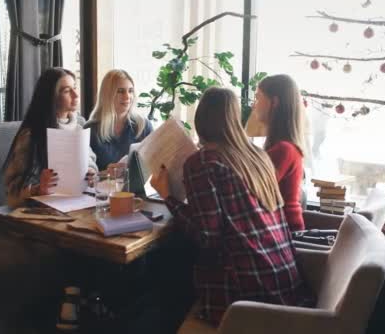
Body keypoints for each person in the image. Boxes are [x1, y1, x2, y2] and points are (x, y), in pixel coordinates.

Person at [151, 87, 312, 327]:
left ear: (201, 119)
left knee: (165, 275)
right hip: (285, 287)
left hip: (245, 297)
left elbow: (207, 237)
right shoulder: (257, 157)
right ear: (234, 118)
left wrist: (167, 196)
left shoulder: (203, 162)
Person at [1, 67, 97, 208]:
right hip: (38, 213)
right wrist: (38, 189)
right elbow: (12, 193)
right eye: (66, 91)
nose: (76, 95)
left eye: (75, 87)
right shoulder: (31, 135)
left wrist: (91, 174)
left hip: (75, 204)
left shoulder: (79, 126)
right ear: (51, 96)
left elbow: (91, 163)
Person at [252, 74, 307, 232]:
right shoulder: (283, 147)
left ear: (274, 102)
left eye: (258, 97)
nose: (254, 105)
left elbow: (253, 191)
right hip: (278, 230)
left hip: (285, 236)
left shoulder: (284, 150)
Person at [85, 69, 153, 170]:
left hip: (135, 186)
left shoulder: (143, 125)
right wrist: (106, 173)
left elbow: (154, 165)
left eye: (130, 91)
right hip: (102, 185)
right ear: (107, 94)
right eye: (120, 91)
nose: (127, 96)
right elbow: (83, 175)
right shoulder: (90, 130)